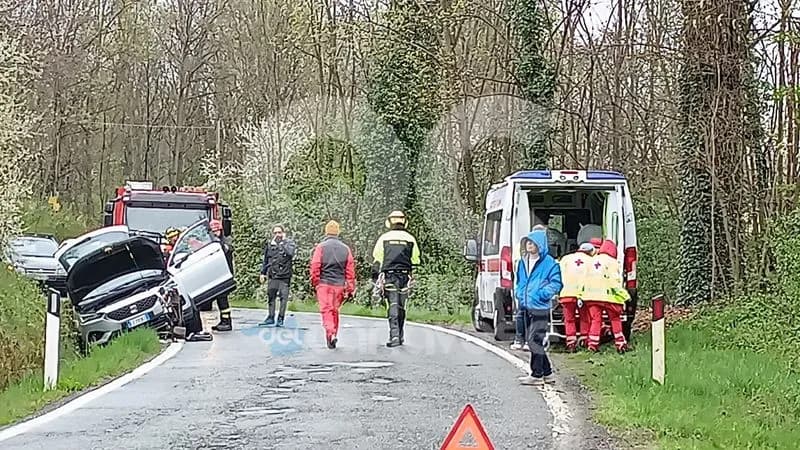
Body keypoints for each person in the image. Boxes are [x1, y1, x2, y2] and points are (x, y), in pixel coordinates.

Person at [515, 229, 563, 386]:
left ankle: (536, 374)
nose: (529, 245)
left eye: (532, 242)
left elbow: (556, 283)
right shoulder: (522, 262)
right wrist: (520, 294)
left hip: (540, 306)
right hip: (526, 305)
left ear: (540, 245)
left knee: (534, 340)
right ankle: (547, 373)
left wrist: (543, 294)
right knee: (536, 339)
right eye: (527, 242)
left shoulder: (550, 263)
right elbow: (520, 281)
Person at [372, 210, 420, 347]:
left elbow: (377, 256)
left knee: (392, 304)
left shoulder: (384, 238)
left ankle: (394, 336)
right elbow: (416, 258)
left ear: (389, 221)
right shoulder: (410, 238)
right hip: (405, 275)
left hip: (389, 275)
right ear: (404, 221)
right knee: (401, 305)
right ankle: (400, 334)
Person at [309, 220, 356, 349]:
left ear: (326, 231)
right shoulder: (345, 248)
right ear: (338, 232)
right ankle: (333, 334)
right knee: (334, 310)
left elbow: (315, 265)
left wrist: (315, 281)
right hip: (339, 285)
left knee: (326, 310)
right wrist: (350, 287)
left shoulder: (321, 247)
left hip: (324, 284)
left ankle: (331, 333)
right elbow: (350, 270)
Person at [582, 239, 630, 353]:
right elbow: (614, 282)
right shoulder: (612, 263)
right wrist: (625, 296)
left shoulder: (591, 261)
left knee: (596, 320)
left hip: (591, 297)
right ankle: (620, 343)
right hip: (608, 297)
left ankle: (592, 345)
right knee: (615, 318)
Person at [558, 243, 595, 352]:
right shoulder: (591, 261)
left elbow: (558, 275)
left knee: (569, 319)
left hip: (567, 294)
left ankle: (571, 343)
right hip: (584, 295)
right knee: (584, 318)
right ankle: (584, 339)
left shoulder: (566, 259)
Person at [259, 225, 296, 327]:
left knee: (283, 298)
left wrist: (283, 243)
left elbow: (290, 253)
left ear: (283, 233)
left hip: (284, 276)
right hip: (272, 275)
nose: (277, 235)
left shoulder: (289, 244)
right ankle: (270, 317)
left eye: (279, 232)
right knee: (271, 296)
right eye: (275, 233)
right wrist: (263, 273)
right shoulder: (270, 245)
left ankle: (280, 318)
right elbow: (266, 259)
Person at [209, 219, 235, 332]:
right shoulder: (212, 242)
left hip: (225, 274)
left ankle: (227, 322)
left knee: (223, 298)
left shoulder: (225, 241)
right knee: (220, 298)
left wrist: (217, 242)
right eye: (213, 231)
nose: (215, 233)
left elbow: (227, 249)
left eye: (217, 231)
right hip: (217, 274)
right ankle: (223, 320)